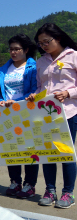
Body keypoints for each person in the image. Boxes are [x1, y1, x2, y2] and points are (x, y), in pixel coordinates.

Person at [26, 23, 77, 209]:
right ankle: (50, 190)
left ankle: (68, 193)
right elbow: (41, 88)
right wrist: (35, 95)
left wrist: (69, 93)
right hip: (44, 115)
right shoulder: (41, 62)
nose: (43, 45)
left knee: (65, 153)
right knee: (47, 153)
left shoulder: (74, 56)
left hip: (68, 112)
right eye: (40, 43)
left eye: (46, 41)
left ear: (59, 38)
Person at [0, 34, 39, 198]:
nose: (13, 52)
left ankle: (29, 184)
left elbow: (35, 89)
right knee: (11, 147)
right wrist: (1, 101)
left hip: (27, 111)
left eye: (17, 49)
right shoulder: (3, 69)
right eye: (11, 49)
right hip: (8, 113)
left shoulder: (33, 67)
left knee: (29, 147)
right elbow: (1, 92)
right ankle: (15, 181)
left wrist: (17, 101)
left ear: (26, 50)